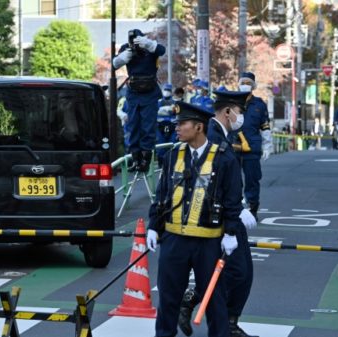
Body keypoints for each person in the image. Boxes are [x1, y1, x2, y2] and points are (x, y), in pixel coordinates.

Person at [146, 101, 243, 337]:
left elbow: (232, 199)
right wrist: (153, 226)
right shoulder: (172, 155)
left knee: (214, 301)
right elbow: (162, 194)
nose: (176, 128)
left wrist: (230, 233)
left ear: (199, 127)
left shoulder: (223, 158)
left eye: (182, 124)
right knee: (168, 299)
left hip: (208, 243)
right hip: (174, 240)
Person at [177, 90, 259, 337]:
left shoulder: (222, 134)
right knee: (236, 272)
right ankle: (195, 305)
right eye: (239, 112)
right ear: (227, 112)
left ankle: (228, 321)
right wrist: (236, 210)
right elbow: (205, 181)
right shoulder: (210, 135)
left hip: (228, 213)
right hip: (217, 218)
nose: (241, 117)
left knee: (241, 273)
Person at [113, 29, 166, 172]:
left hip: (150, 91)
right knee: (133, 125)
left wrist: (149, 44)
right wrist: (123, 57)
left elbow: (162, 50)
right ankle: (135, 159)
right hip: (134, 92)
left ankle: (145, 160)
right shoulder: (126, 48)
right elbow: (114, 64)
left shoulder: (150, 48)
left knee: (148, 126)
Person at [235, 72, 272, 220]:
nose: (245, 85)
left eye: (248, 83)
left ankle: (252, 208)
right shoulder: (231, 102)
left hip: (252, 147)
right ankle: (234, 208)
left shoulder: (260, 104)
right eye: (243, 82)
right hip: (233, 146)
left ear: (253, 86)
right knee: (233, 179)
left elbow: (265, 126)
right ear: (238, 83)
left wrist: (268, 146)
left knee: (252, 179)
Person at [156, 84, 178, 166]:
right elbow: (155, 113)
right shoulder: (158, 102)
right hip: (160, 127)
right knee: (161, 146)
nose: (166, 92)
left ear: (171, 92)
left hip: (172, 126)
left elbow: (177, 113)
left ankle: (172, 163)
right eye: (165, 90)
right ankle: (161, 163)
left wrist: (164, 111)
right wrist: (168, 110)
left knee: (173, 145)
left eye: (168, 90)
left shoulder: (175, 102)